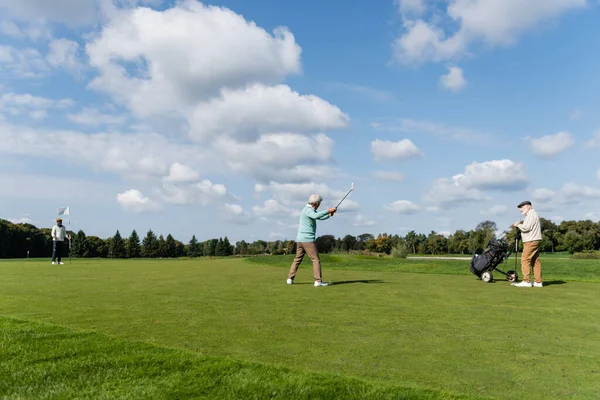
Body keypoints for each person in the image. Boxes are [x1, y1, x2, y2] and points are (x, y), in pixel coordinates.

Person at [287, 194, 337, 287]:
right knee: (315, 260)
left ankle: (290, 279)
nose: (319, 205)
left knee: (297, 259)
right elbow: (315, 216)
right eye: (319, 203)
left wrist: (329, 214)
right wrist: (327, 211)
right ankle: (318, 281)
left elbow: (318, 217)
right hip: (307, 240)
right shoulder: (308, 210)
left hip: (300, 240)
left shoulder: (308, 210)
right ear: (316, 203)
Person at [511, 201, 543, 287]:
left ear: (528, 207)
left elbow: (526, 228)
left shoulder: (531, 215)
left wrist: (518, 225)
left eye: (522, 207)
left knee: (525, 259)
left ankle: (526, 281)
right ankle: (538, 282)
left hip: (531, 240)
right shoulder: (534, 214)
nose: (521, 210)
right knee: (535, 261)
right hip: (536, 240)